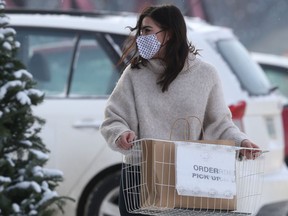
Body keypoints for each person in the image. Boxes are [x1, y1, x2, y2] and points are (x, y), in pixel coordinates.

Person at [100, 4, 259, 216]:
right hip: (141, 177)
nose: (141, 37)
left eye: (147, 30)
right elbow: (113, 119)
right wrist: (120, 134)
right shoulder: (135, 74)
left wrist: (241, 142)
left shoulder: (205, 75)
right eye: (140, 31)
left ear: (169, 33)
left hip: (189, 177)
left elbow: (219, 123)